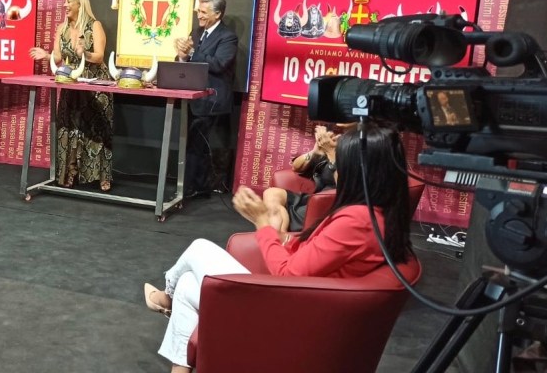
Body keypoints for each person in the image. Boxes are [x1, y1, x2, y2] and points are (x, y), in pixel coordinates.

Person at [143, 122, 413, 373]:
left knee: (199, 248)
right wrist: (282, 238)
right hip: (305, 303)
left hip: (290, 313)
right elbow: (317, 255)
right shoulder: (380, 215)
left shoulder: (357, 221)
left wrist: (263, 224)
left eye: (340, 165)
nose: (335, 172)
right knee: (189, 284)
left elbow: (287, 274)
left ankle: (167, 294)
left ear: (361, 173)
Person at [29, 0, 114, 191]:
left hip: (95, 86)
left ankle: (103, 176)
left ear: (79, 4)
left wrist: (85, 53)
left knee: (95, 131)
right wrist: (46, 55)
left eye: (69, 1)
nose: (65, 5)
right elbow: (59, 57)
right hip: (72, 83)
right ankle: (70, 173)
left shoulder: (94, 26)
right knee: (69, 129)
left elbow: (99, 57)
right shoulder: (62, 28)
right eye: (65, 1)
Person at [173, 0, 238, 197]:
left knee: (199, 145)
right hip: (194, 99)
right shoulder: (196, 32)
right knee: (194, 145)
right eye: (198, 11)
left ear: (217, 14)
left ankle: (191, 188)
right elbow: (187, 61)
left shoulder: (227, 37)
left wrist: (192, 53)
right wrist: (182, 56)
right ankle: (194, 187)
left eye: (203, 12)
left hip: (212, 100)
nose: (199, 15)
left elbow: (219, 64)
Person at [263, 123, 343, 232]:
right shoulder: (329, 150)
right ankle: (278, 236)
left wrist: (332, 153)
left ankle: (277, 237)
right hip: (312, 197)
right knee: (271, 193)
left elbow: (345, 186)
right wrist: (314, 152)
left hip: (330, 202)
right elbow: (296, 167)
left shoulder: (351, 152)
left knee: (278, 218)